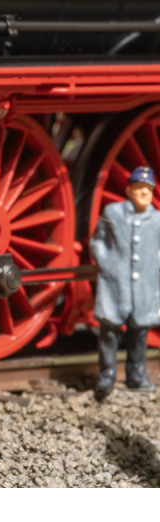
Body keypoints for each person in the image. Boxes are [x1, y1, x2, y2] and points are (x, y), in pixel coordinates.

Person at [89, 165, 160, 399]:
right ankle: (107, 376)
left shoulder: (157, 220)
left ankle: (136, 376)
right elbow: (97, 240)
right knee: (109, 333)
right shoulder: (112, 213)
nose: (144, 193)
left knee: (139, 334)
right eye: (139, 188)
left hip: (144, 289)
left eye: (148, 189)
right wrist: (105, 262)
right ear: (129, 190)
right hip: (114, 285)